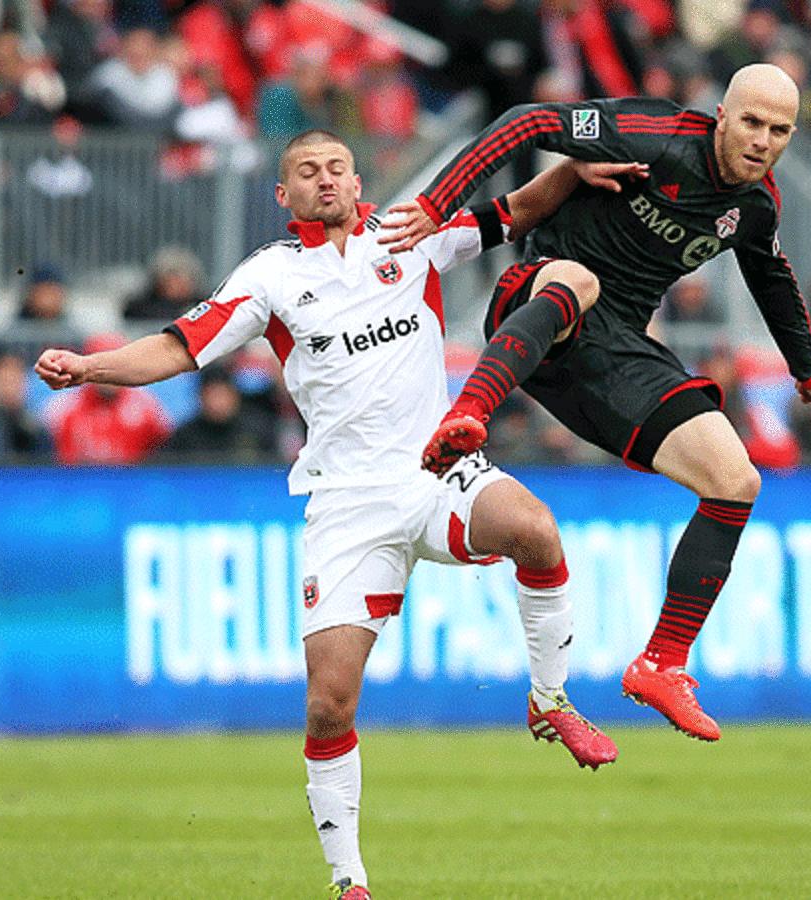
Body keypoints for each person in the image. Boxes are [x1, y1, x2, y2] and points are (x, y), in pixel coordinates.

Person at [35, 131, 636, 899]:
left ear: (358, 180)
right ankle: (349, 881)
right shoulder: (272, 276)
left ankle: (551, 701)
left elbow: (511, 213)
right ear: (283, 196)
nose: (325, 180)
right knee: (328, 704)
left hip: (435, 469)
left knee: (536, 530)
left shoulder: (410, 233)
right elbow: (181, 348)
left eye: (336, 169)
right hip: (346, 503)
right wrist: (91, 366)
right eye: (306, 173)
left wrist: (570, 171)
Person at [379, 63, 811, 742]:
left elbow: (771, 276)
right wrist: (440, 201)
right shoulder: (654, 135)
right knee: (579, 279)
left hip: (618, 350)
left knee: (735, 480)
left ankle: (661, 663)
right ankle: (466, 416)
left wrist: (808, 372)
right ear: (721, 114)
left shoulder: (757, 205)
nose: (763, 139)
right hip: (540, 301)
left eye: (780, 130)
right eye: (751, 122)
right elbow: (530, 121)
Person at [47, 332, 173, 465]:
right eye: (100, 368)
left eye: (115, 366)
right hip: (80, 482)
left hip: (134, 482)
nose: (107, 376)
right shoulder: (63, 408)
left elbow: (162, 456)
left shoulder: (147, 407)